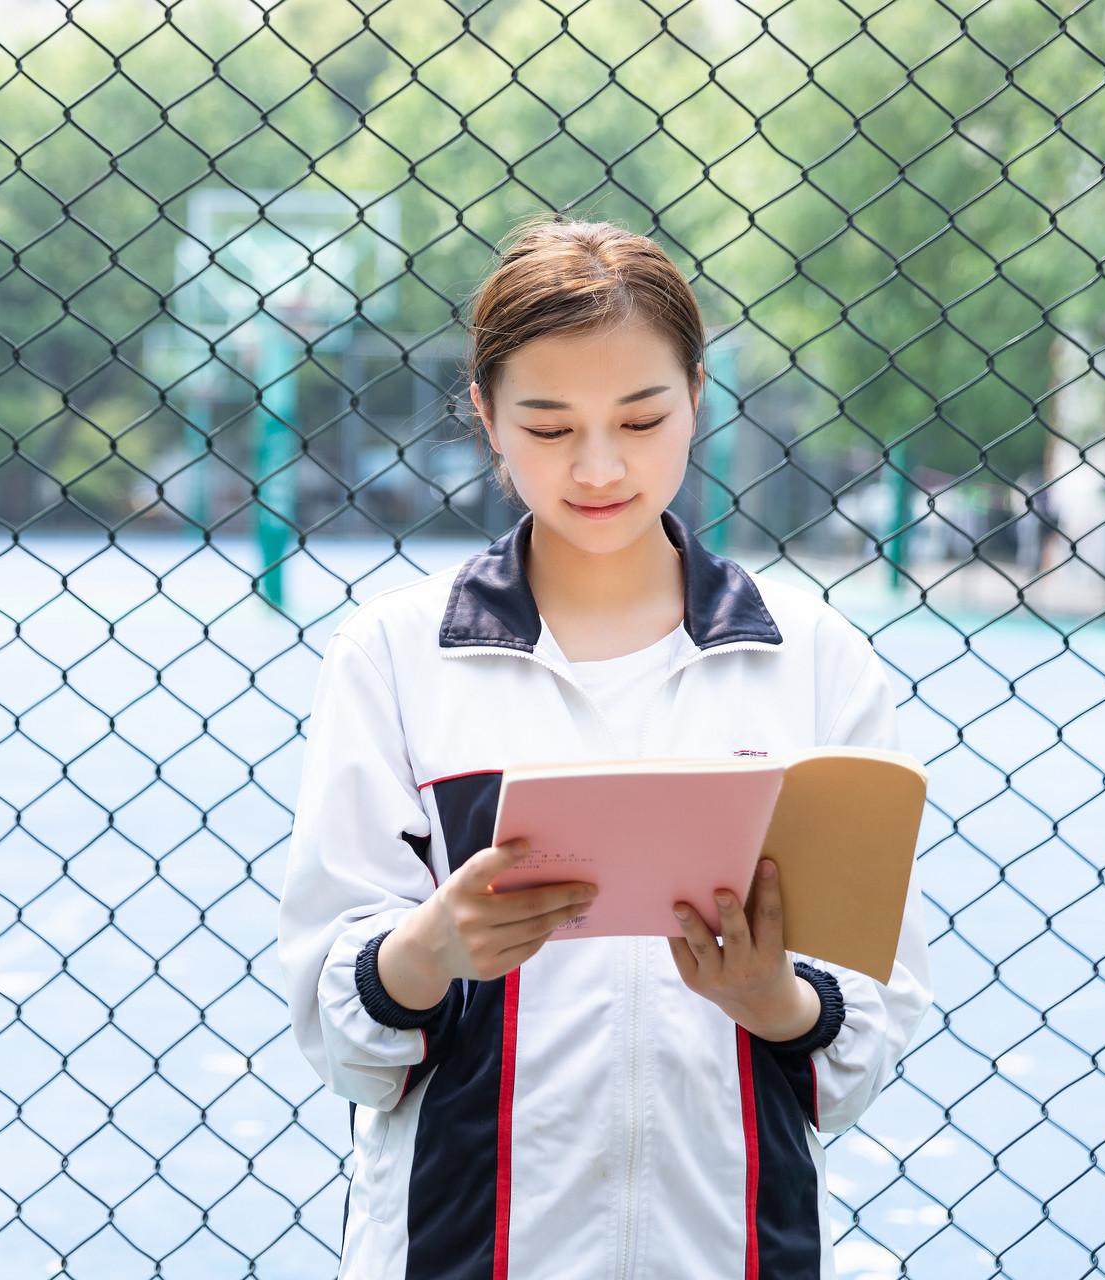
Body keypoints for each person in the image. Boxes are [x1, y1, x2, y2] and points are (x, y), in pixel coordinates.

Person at [275, 214, 934, 1279]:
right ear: (486, 414)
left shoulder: (813, 660)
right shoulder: (396, 656)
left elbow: (868, 1030)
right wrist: (433, 946)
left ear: (698, 395)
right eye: (547, 426)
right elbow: (339, 1027)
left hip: (729, 1251)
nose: (597, 465)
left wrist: (771, 997)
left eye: (640, 418)